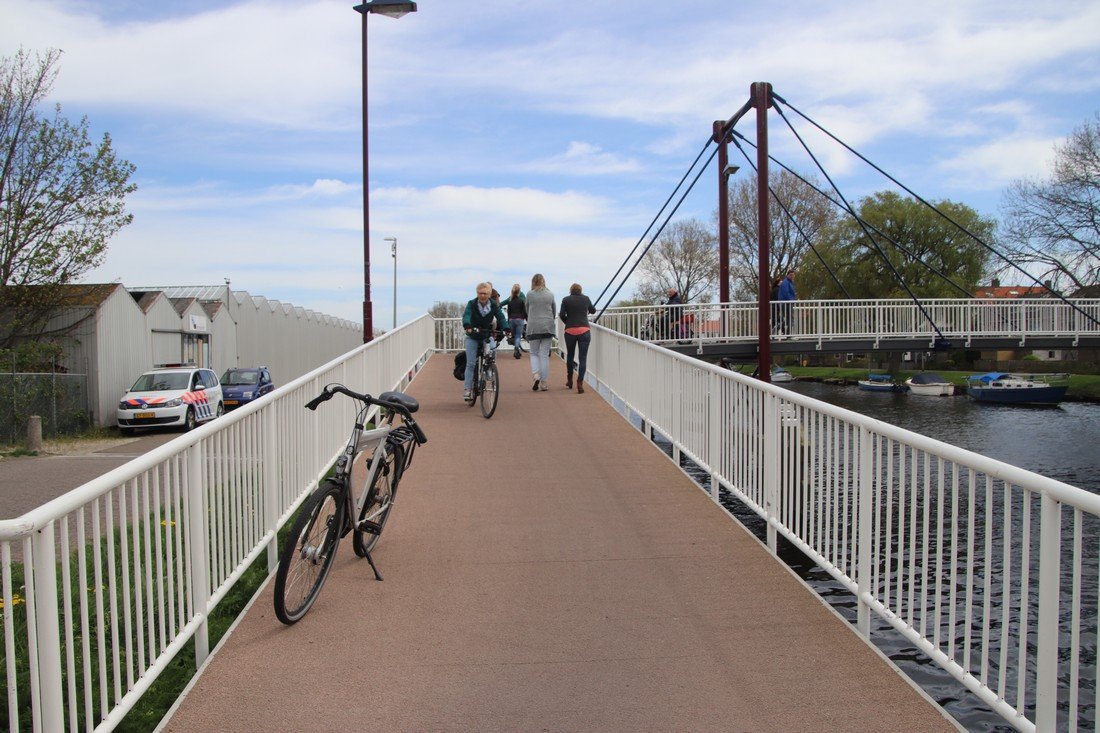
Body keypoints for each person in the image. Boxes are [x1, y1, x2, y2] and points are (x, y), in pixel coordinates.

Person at [461, 282, 509, 402]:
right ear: (477, 293)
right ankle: (467, 389)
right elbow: (466, 315)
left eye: (485, 293)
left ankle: (488, 370)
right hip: (473, 335)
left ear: (489, 294)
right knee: (471, 363)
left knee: (492, 348)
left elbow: (501, 317)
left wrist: (506, 328)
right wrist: (467, 325)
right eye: (480, 293)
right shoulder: (471, 304)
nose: (482, 296)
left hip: (485, 335)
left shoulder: (493, 305)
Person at [559, 283, 596, 394]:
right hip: (584, 330)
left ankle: (569, 380)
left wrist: (568, 322)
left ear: (570, 290)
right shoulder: (586, 299)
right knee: (582, 358)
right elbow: (593, 310)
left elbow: (561, 314)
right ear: (580, 290)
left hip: (570, 331)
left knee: (570, 355)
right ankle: (579, 382)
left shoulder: (565, 300)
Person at [525, 274, 556, 392]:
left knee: (533, 353)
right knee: (544, 355)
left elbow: (527, 310)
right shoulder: (550, 294)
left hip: (533, 327)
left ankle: (536, 375)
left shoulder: (529, 294)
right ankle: (544, 382)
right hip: (547, 326)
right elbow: (554, 311)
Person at [500, 284, 528, 360]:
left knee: (514, 335)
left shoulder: (510, 300)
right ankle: (516, 350)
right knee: (518, 336)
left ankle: (517, 350)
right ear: (519, 290)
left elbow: (509, 312)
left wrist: (509, 321)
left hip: (511, 319)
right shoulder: (522, 299)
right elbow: (524, 311)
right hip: (519, 319)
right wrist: (526, 319)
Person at [777, 270, 797, 338]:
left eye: (793, 275)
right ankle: (787, 334)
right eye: (791, 275)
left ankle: (785, 332)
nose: (792, 276)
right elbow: (786, 293)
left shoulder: (789, 282)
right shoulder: (786, 282)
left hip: (787, 303)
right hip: (786, 303)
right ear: (787, 275)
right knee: (790, 318)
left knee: (789, 318)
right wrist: (792, 300)